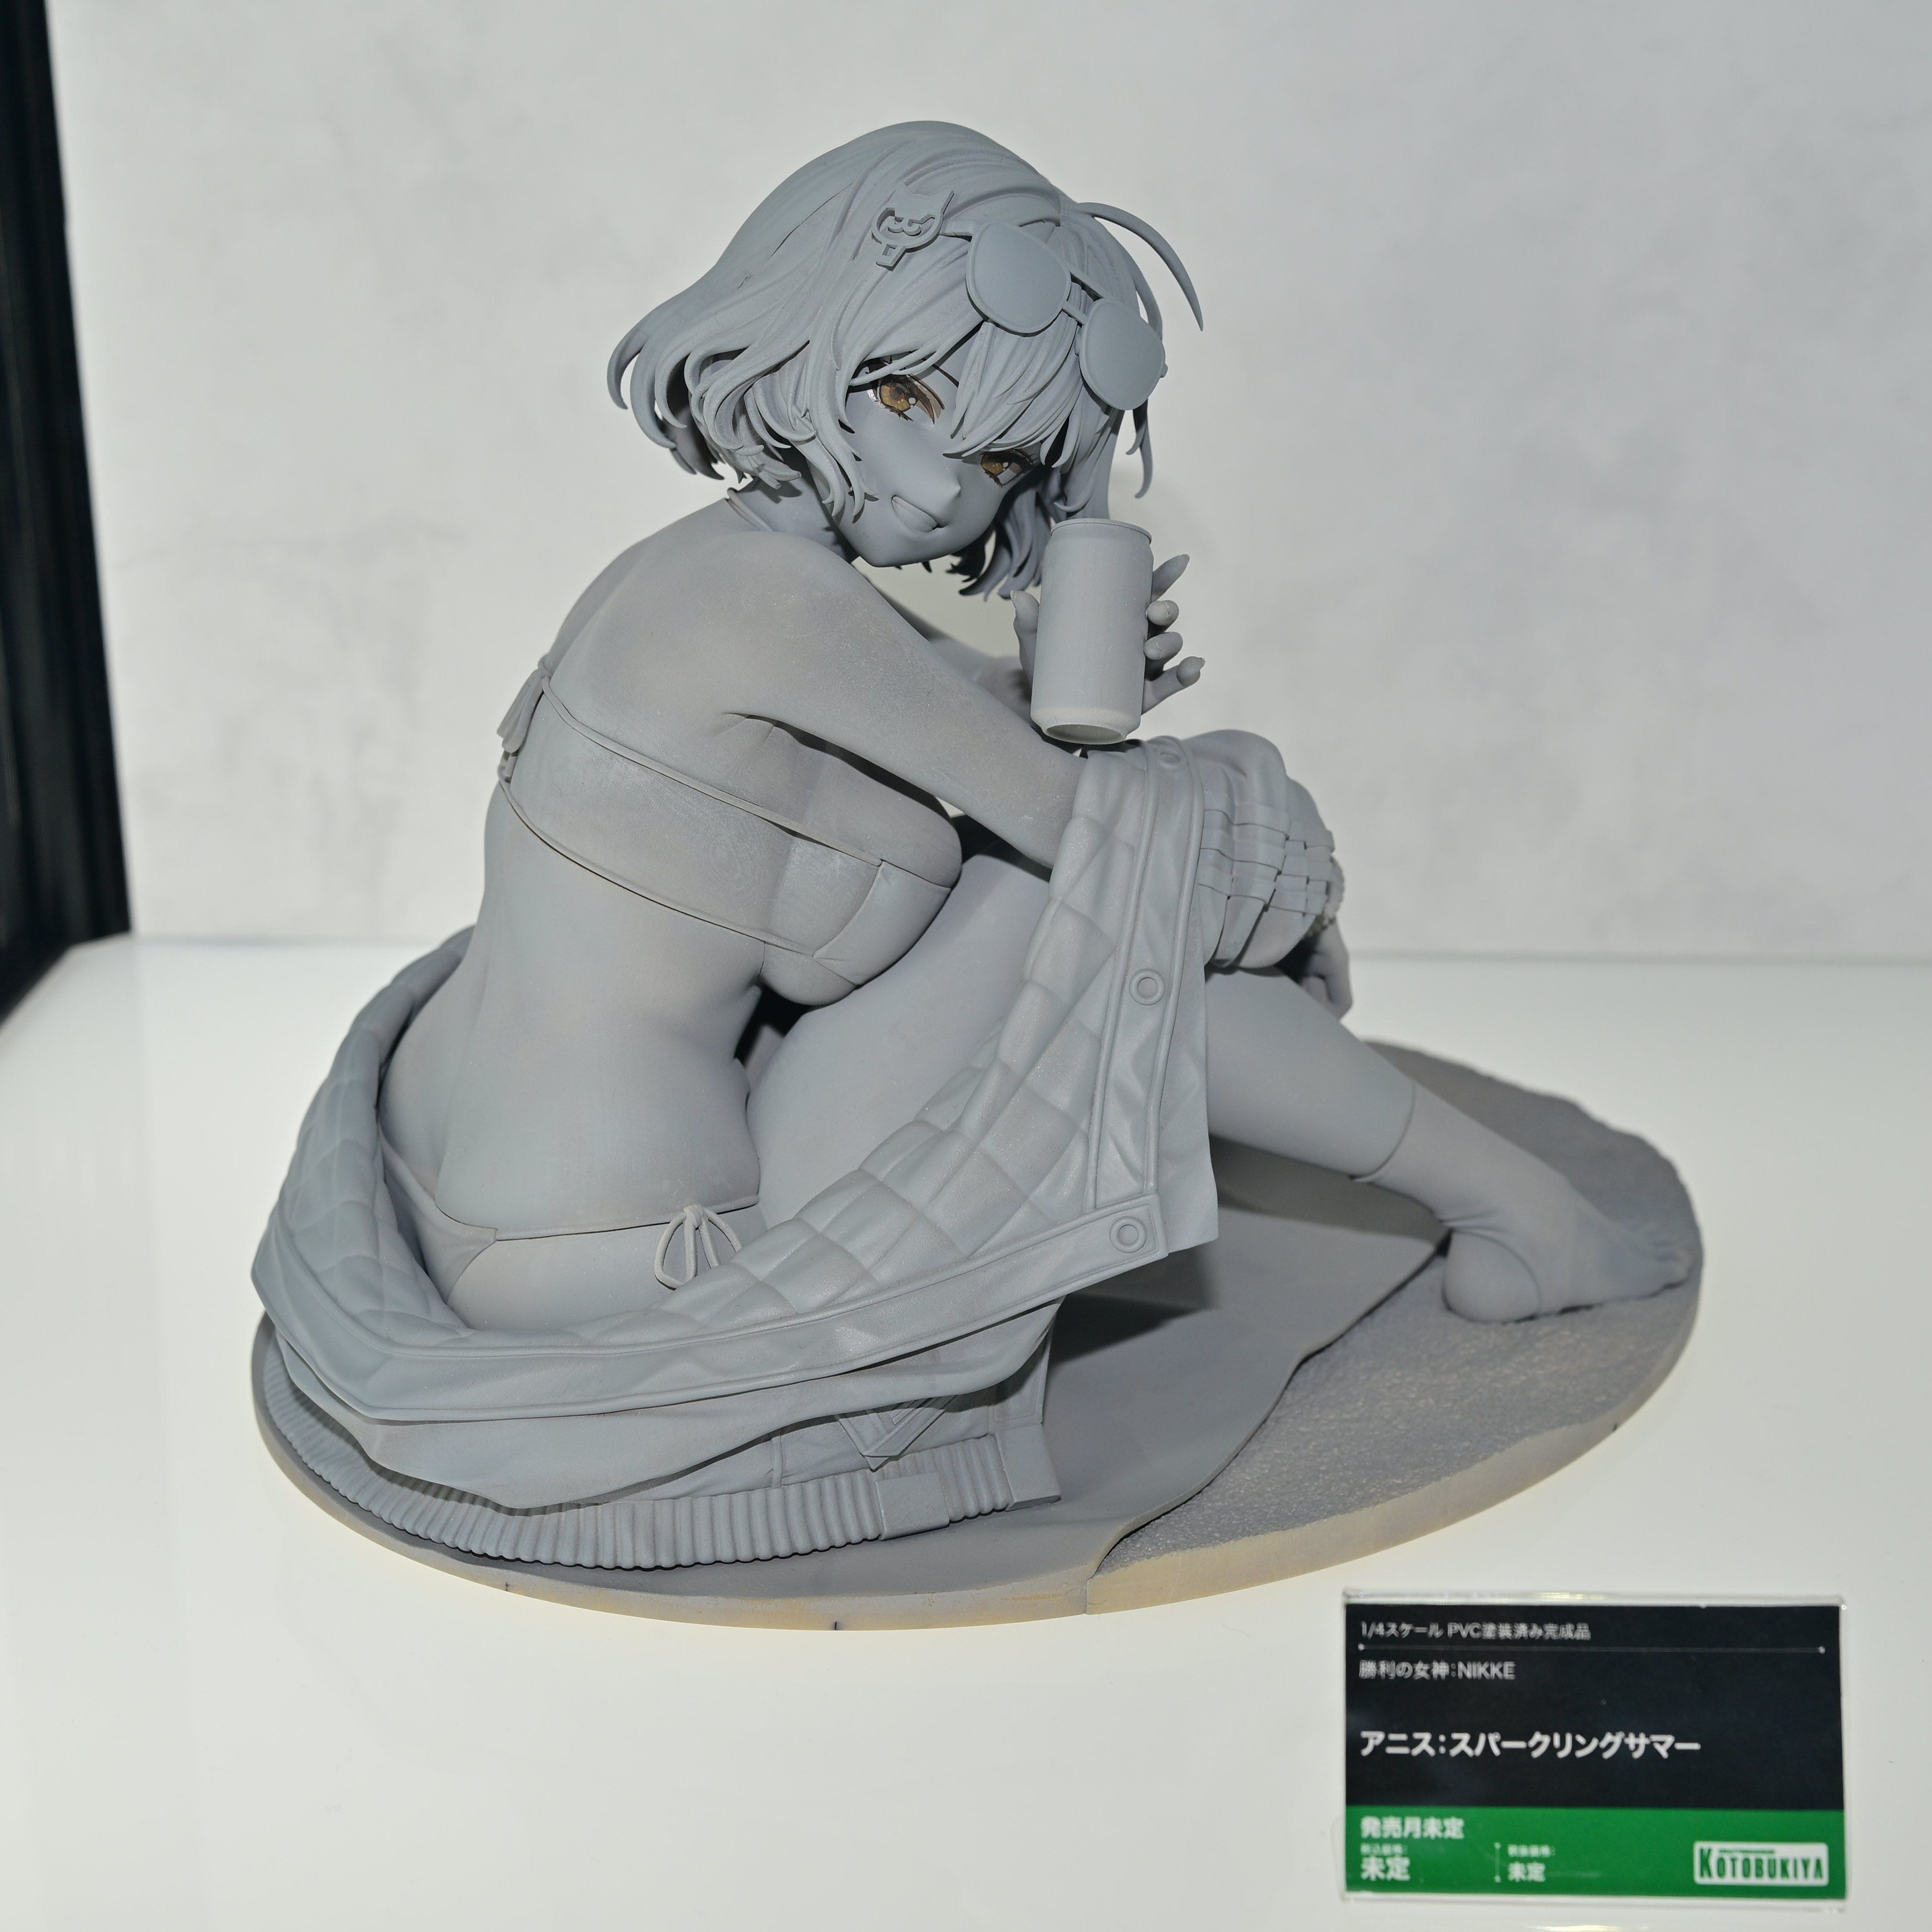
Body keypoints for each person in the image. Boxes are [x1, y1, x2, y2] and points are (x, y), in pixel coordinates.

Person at [377, 120, 1684, 1342]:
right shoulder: (776, 603)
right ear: (800, 329)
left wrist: (1049, 686)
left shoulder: (697, 571)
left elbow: (954, 728)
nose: (939, 485)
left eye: (1001, 461)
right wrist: (1279, 877)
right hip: (632, 1251)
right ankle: (1518, 1210)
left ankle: (1506, 1207)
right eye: (905, 397)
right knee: (1104, 891)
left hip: (480, 1191)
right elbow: (1090, 832)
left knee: (1135, 853)